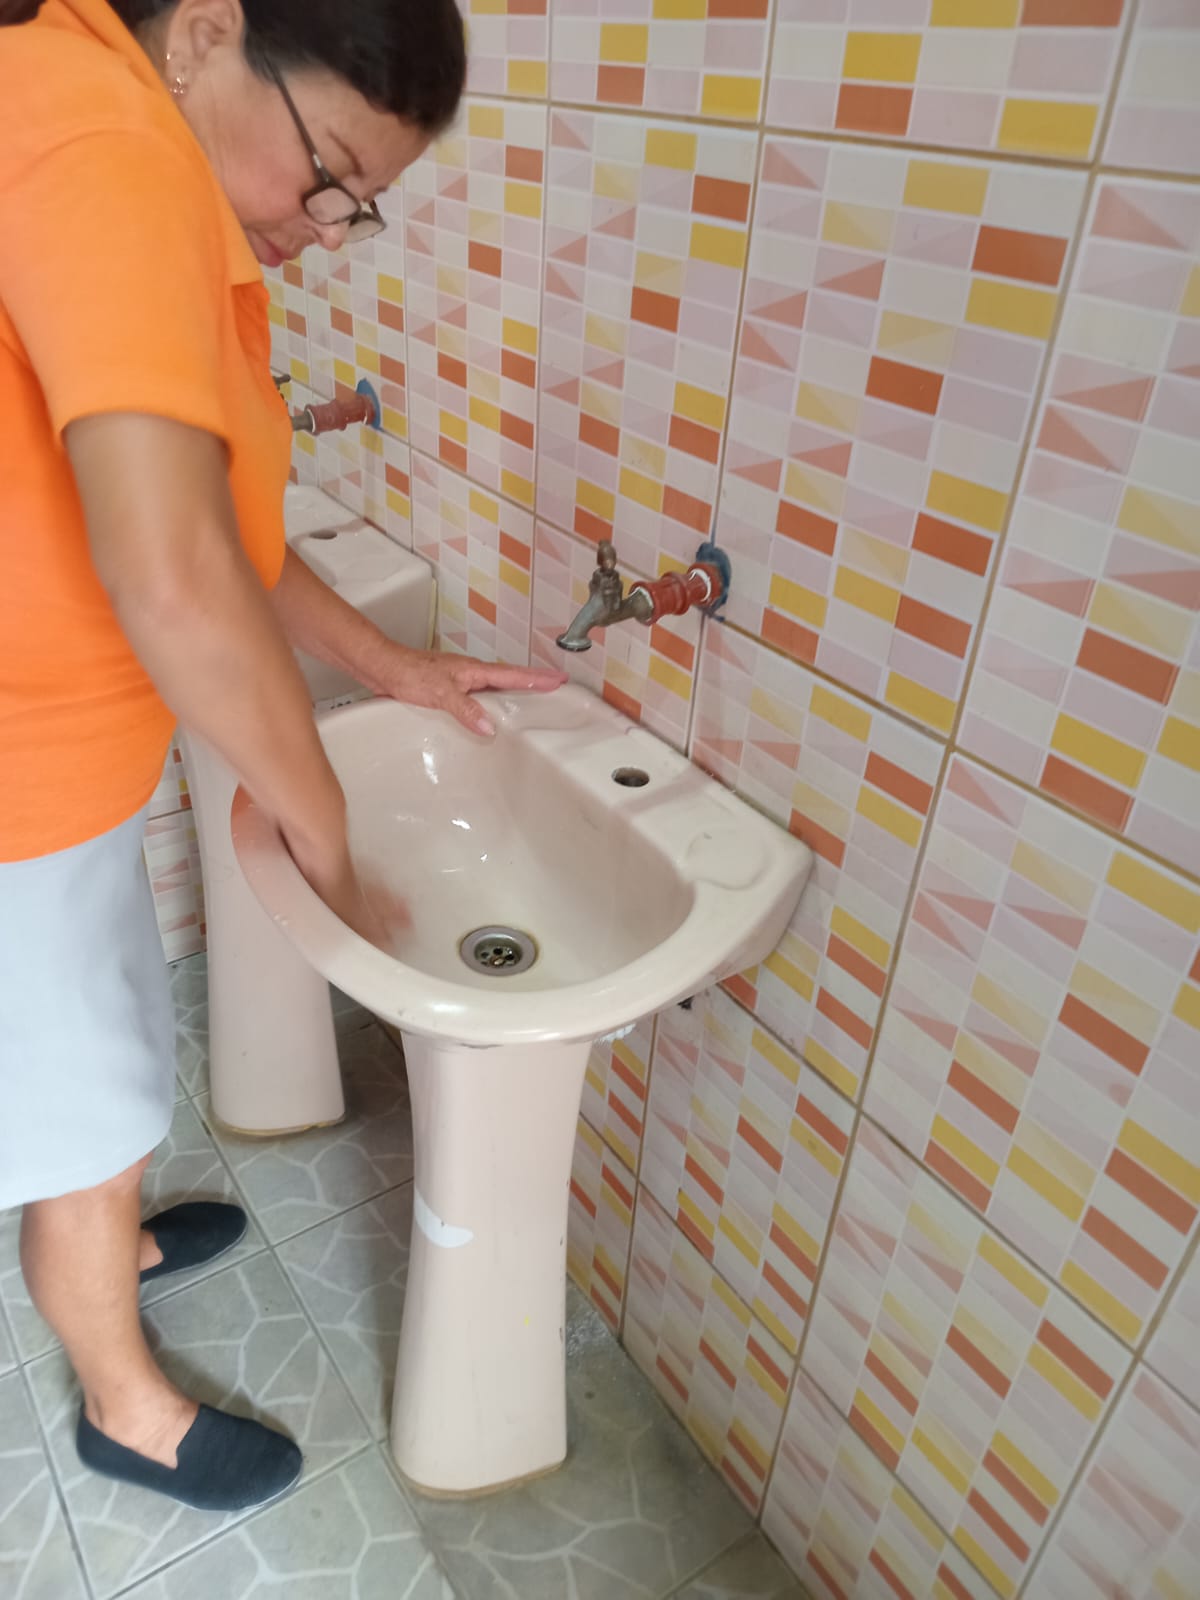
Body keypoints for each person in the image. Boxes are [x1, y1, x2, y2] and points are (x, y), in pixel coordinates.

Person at [0, 0, 565, 1512]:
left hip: (54, 766)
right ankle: (124, 1409)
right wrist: (328, 836)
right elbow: (176, 576)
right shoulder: (103, 137)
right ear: (207, 31)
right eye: (329, 176)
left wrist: (391, 667)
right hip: (14, 785)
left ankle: (108, 1237)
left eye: (354, 205)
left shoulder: (115, 141)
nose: (325, 227)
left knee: (98, 1046)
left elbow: (224, 527)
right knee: (81, 1105)